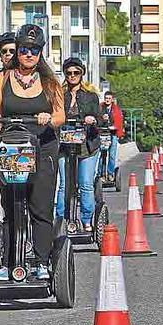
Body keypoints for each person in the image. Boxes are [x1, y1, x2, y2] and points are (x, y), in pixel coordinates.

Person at [0, 24, 65, 280]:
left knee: (40, 206)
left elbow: (60, 115)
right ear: (18, 50)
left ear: (41, 53)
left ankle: (41, 261)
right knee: (12, 204)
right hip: (11, 147)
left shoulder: (50, 82)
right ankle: (9, 264)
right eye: (25, 49)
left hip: (43, 148)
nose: (29, 54)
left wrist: (48, 118)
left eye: (35, 50)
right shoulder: (2, 79)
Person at [55, 57, 101, 233]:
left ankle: (86, 220)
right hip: (65, 146)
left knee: (85, 183)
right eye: (69, 73)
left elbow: (98, 117)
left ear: (82, 74)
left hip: (87, 146)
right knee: (64, 185)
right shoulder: (59, 95)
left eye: (76, 72)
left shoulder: (91, 96)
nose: (72, 76)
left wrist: (92, 119)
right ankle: (61, 221)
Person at [99, 91, 125, 183]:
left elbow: (119, 122)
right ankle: (101, 174)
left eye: (109, 99)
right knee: (102, 155)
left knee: (112, 155)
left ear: (112, 99)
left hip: (113, 134)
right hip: (102, 133)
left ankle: (110, 173)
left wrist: (117, 129)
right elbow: (96, 119)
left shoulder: (116, 109)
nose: (107, 100)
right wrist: (102, 118)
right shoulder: (100, 108)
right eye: (106, 98)